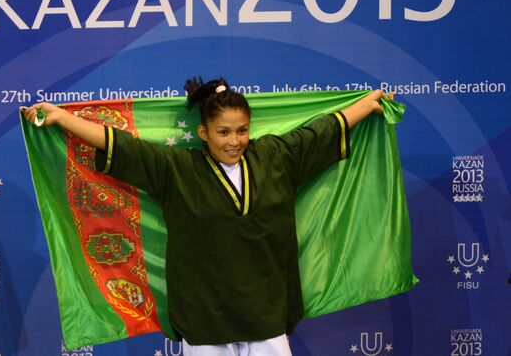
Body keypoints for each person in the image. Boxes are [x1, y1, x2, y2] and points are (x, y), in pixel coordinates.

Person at [22, 78, 393, 356]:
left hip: (266, 317)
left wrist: (369, 103)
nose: (235, 141)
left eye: (243, 130)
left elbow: (326, 131)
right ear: (203, 133)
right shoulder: (175, 170)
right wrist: (61, 118)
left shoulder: (277, 157)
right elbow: (121, 146)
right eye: (223, 132)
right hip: (203, 321)